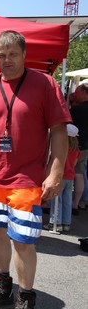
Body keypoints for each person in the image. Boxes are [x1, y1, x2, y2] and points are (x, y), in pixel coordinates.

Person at [0, 30, 71, 309]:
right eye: (1, 54)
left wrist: (56, 173)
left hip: (26, 178)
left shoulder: (45, 84)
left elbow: (60, 132)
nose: (7, 59)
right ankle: (2, 286)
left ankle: (26, 296)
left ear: (24, 54)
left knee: (23, 241)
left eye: (13, 54)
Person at [45, 124, 80, 232]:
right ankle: (66, 223)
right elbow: (74, 164)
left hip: (60, 176)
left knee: (57, 200)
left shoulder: (60, 149)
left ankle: (55, 223)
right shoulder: (76, 151)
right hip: (70, 177)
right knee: (67, 201)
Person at [70, 81, 88, 214]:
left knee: (71, 174)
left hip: (75, 146)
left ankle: (73, 203)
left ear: (83, 93)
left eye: (77, 92)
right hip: (85, 146)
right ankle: (77, 203)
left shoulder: (77, 110)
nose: (75, 95)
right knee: (80, 174)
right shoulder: (78, 108)